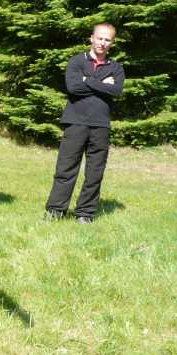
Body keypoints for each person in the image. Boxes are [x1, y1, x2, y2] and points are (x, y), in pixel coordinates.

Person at [45, 23, 124, 223]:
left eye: (107, 40)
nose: (102, 43)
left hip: (101, 125)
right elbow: (73, 88)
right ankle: (56, 210)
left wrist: (87, 80)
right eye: (100, 38)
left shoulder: (115, 67)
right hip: (75, 122)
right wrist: (101, 84)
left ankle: (85, 213)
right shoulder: (77, 61)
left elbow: (116, 91)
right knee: (66, 168)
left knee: (95, 172)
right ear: (92, 38)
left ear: (112, 43)